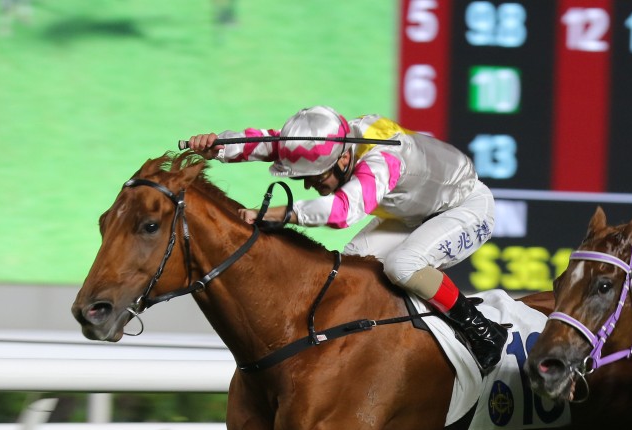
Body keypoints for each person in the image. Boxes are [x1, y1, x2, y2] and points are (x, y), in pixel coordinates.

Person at [186, 106, 507, 375]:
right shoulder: (330, 142)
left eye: (317, 178)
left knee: (403, 265)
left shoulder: (382, 160)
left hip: (465, 207)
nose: (312, 187)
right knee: (351, 268)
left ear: (342, 161)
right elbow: (272, 142)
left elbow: (343, 212)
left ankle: (480, 329)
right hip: (413, 213)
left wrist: (279, 213)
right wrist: (219, 146)